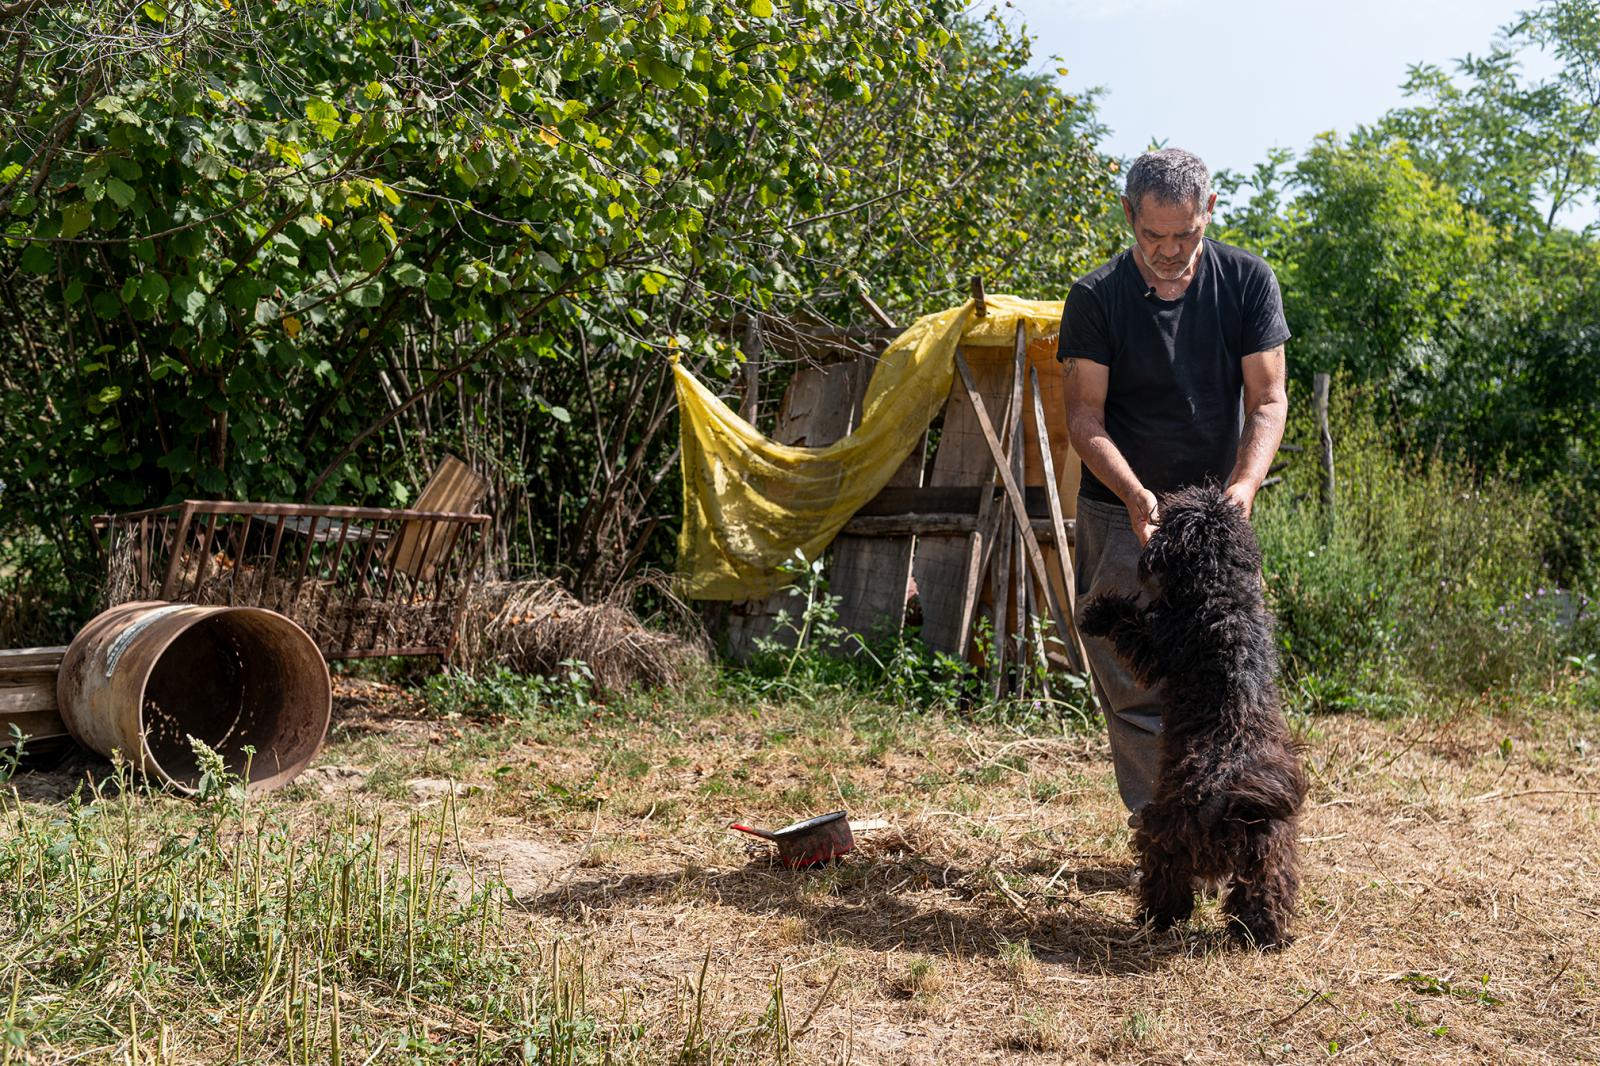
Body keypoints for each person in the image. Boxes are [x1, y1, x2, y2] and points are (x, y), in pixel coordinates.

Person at [1060, 148, 1290, 819]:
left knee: (1223, 677)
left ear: (1209, 211)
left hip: (1214, 523)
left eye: (1185, 235)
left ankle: (1230, 816)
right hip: (1117, 510)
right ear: (1129, 216)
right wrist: (1137, 496)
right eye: (1151, 236)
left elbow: (1269, 400)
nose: (1168, 251)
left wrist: (1242, 490)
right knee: (1133, 683)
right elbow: (1084, 415)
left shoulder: (1248, 282)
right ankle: (1161, 830)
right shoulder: (1096, 297)